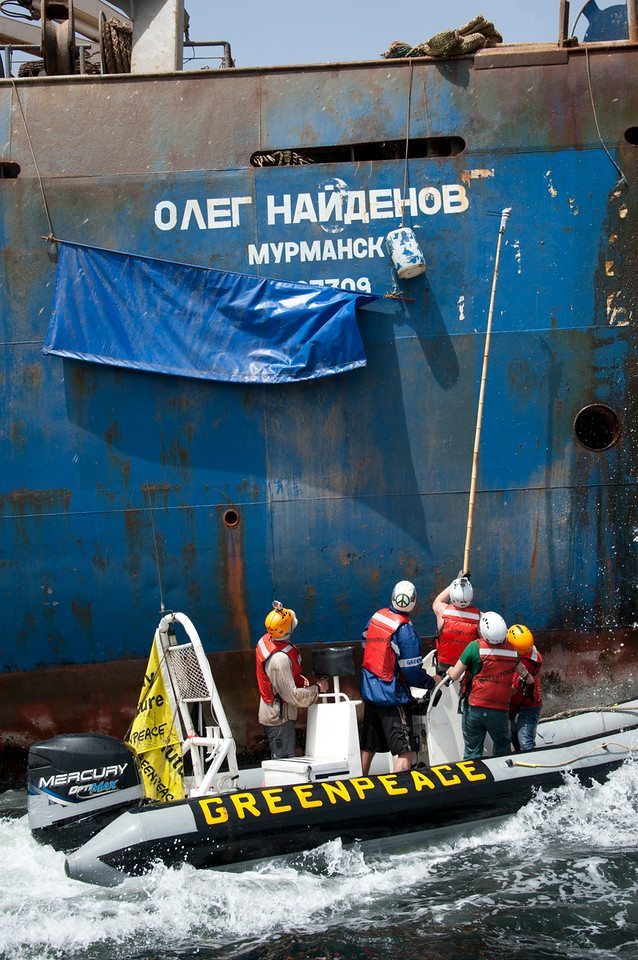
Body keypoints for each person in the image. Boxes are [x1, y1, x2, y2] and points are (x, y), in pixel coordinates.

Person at [360, 580, 434, 775]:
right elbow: (412, 670)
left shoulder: (377, 617)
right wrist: (428, 682)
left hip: (369, 690)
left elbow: (365, 643)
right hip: (391, 696)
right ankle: (400, 788)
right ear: (414, 602)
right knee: (406, 751)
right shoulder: (404, 630)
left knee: (368, 746)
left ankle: (359, 781)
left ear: (392, 597)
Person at [445, 611, 534, 758]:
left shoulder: (474, 647)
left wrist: (449, 671)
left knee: (472, 751)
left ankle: (474, 778)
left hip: (475, 709)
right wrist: (528, 679)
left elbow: (454, 675)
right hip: (499, 711)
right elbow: (523, 672)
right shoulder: (512, 651)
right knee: (502, 748)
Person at [255, 601, 329, 759]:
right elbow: (292, 696)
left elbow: (279, 680)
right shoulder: (279, 659)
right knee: (283, 760)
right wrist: (317, 689)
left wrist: (298, 679)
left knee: (286, 756)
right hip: (279, 719)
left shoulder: (268, 640)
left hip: (278, 713)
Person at [432, 573, 481, 677]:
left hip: (444, 666)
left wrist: (456, 582)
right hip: (466, 668)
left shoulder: (442, 610)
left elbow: (437, 601)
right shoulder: (480, 617)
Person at [507, 624, 543, 751]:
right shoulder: (523, 647)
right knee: (512, 739)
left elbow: (512, 689)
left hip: (529, 705)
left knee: (525, 741)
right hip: (514, 705)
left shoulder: (528, 662)